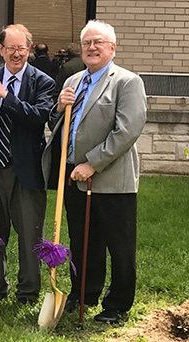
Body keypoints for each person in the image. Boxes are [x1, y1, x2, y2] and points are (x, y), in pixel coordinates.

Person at [42, 20, 147, 323]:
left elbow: (127, 131)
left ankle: (117, 305)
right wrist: (59, 109)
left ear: (112, 48)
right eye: (87, 42)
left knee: (119, 244)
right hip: (74, 176)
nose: (91, 47)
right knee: (84, 241)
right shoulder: (72, 80)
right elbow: (58, 126)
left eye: (98, 42)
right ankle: (84, 294)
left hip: (112, 178)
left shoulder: (127, 82)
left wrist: (93, 163)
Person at [0, 24, 55, 305]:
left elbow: (39, 117)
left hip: (26, 169)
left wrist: (7, 98)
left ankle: (27, 293)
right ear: (1, 50)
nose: (17, 54)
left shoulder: (43, 82)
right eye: (11, 48)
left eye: (22, 48)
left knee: (30, 233)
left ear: (29, 49)